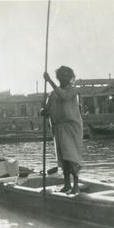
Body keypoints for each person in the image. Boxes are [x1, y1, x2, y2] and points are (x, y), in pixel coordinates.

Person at [42, 66, 83, 194]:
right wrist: (43, 111)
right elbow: (48, 110)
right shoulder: (52, 94)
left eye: (67, 76)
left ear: (71, 77)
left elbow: (64, 96)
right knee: (63, 157)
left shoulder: (73, 90)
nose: (64, 78)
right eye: (61, 75)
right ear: (58, 77)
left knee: (71, 156)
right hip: (58, 127)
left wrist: (49, 81)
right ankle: (67, 184)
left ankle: (76, 185)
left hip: (71, 126)